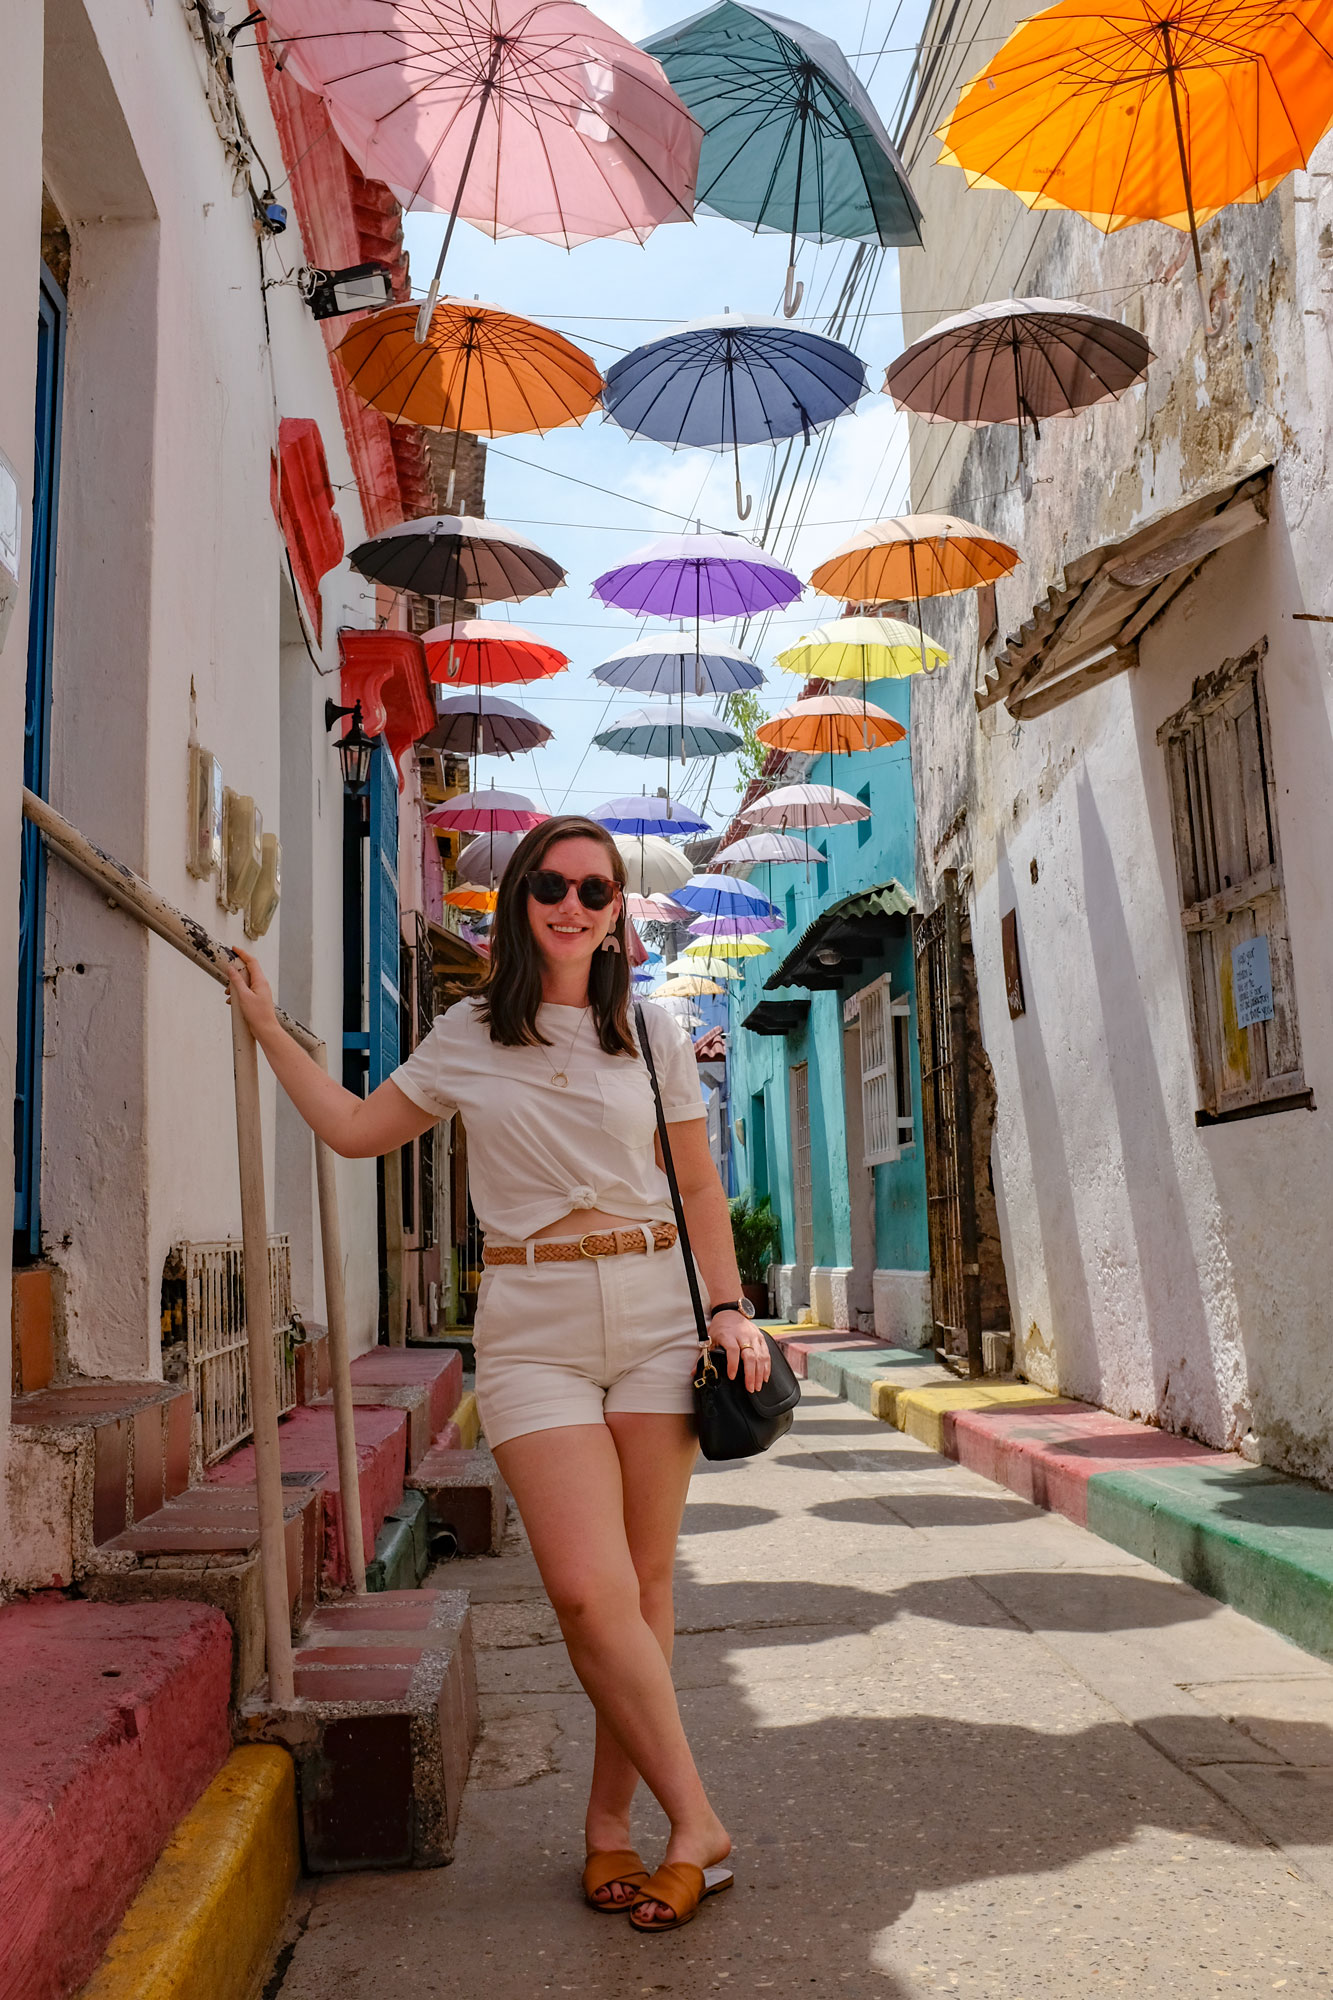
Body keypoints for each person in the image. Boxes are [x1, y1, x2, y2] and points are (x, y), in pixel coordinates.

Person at [226, 813, 770, 1934]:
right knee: (583, 1588)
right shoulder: (470, 1031)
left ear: (618, 912)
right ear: (520, 900)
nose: (573, 906)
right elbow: (352, 1127)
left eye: (596, 890)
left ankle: (613, 1828)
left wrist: (727, 1305)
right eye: (552, 887)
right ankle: (701, 1821)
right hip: (532, 1319)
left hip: (660, 1309)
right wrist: (265, 1023)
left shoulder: (655, 1031)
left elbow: (700, 1186)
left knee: (643, 1588)